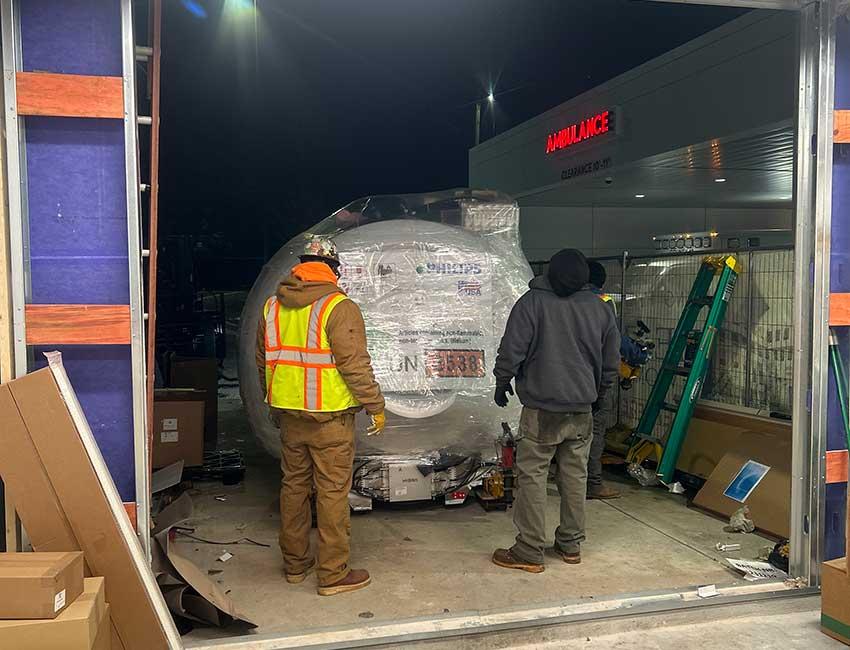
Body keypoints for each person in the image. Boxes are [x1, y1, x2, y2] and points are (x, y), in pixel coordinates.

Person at [256, 236, 386, 596]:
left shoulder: (271, 307)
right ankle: (332, 573)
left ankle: (295, 565)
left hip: (289, 417)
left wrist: (273, 404)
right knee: (331, 494)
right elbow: (354, 365)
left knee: (294, 488)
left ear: (300, 267)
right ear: (333, 269)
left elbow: (262, 363)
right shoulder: (338, 307)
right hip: (330, 420)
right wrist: (375, 405)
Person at [490, 249, 620, 573]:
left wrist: (502, 380)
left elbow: (512, 349)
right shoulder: (600, 310)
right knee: (575, 476)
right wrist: (600, 394)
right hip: (581, 410)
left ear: (549, 272)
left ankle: (529, 550)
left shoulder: (531, 303)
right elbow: (610, 362)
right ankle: (570, 545)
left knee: (532, 477)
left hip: (541, 410)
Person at [585, 260, 622, 500]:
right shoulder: (604, 303)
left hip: (568, 381)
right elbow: (613, 344)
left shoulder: (559, 301)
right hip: (595, 380)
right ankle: (593, 483)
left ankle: (566, 475)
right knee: (595, 431)